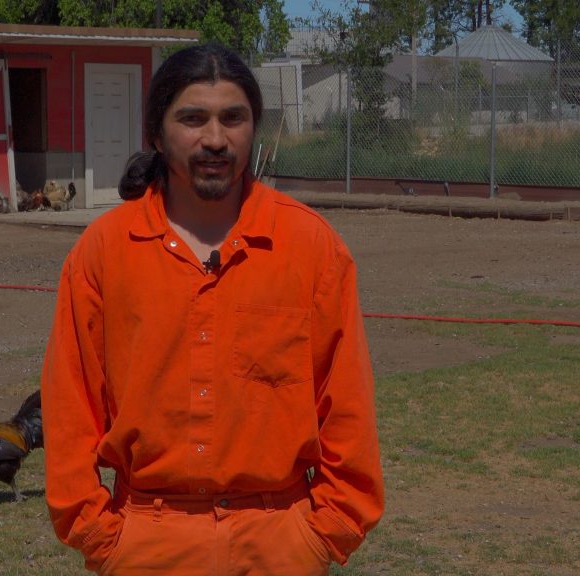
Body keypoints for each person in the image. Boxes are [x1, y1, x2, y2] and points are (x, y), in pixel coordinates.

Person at [40, 43, 384, 575]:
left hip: (281, 543)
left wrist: (322, 533)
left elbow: (348, 409)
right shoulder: (104, 251)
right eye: (193, 119)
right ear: (156, 133)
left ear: (254, 128)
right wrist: (101, 536)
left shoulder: (311, 247)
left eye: (233, 118)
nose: (216, 139)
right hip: (148, 543)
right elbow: (70, 406)